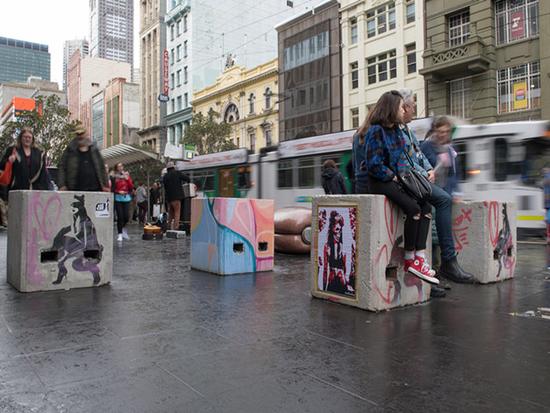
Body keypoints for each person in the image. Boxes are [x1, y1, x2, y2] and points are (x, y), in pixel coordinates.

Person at [354, 90, 438, 285]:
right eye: (401, 107)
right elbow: (374, 164)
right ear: (392, 108)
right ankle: (410, 259)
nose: (404, 110)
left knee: (425, 206)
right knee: (413, 209)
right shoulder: (376, 130)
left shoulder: (397, 131)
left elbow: (403, 160)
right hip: (380, 180)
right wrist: (394, 178)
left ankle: (420, 257)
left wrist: (411, 178)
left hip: (398, 178)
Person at [399, 89, 474, 287]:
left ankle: (439, 274)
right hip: (424, 189)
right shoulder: (422, 142)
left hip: (431, 189)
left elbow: (422, 160)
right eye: (412, 106)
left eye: (445, 132)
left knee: (434, 234)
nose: (414, 109)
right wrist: (428, 172)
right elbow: (410, 159)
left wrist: (430, 170)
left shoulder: (447, 148)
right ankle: (442, 271)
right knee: (430, 237)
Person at [58, 124, 109, 192]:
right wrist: (62, 185)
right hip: (75, 189)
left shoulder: (94, 149)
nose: (80, 136)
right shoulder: (70, 149)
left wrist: (105, 185)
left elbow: (101, 167)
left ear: (86, 133)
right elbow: (62, 166)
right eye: (78, 134)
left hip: (95, 189)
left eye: (82, 133)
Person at [421, 116, 462, 197]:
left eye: (447, 131)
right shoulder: (426, 146)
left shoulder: (451, 149)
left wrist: (456, 191)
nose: (444, 134)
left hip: (447, 194)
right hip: (430, 193)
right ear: (435, 131)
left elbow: (454, 173)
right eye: (441, 132)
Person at [0, 127, 51, 191]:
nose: (27, 139)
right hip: (16, 189)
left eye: (29, 137)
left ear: (32, 139)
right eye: (25, 137)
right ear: (21, 138)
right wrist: (9, 160)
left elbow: (43, 172)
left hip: (35, 189)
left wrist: (44, 188)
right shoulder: (13, 150)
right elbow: (1, 165)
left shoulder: (39, 153)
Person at [162, 161, 189, 231]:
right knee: (177, 212)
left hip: (169, 198)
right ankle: (176, 228)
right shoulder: (177, 173)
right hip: (177, 197)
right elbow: (187, 178)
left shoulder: (165, 176)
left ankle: (168, 227)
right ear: (173, 167)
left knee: (170, 213)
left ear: (167, 168)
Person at [112, 162, 134, 241]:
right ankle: (120, 233)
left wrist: (127, 179)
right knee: (120, 216)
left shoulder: (126, 175)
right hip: (118, 198)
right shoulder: (115, 177)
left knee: (126, 216)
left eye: (122, 166)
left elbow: (131, 187)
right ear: (116, 168)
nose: (121, 167)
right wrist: (118, 192)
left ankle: (123, 228)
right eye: (119, 166)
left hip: (126, 198)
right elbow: (113, 188)